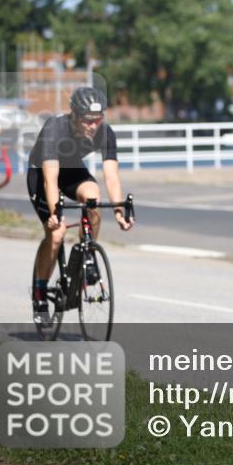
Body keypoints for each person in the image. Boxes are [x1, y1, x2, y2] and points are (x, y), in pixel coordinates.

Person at [28, 87, 134, 323]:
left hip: (73, 170)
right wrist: (56, 213)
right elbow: (50, 179)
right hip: (43, 176)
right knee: (56, 235)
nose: (94, 126)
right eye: (88, 120)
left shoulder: (105, 132)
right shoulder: (54, 130)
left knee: (93, 197)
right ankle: (40, 294)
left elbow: (111, 176)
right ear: (74, 115)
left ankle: (87, 252)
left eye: (98, 120)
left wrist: (118, 211)